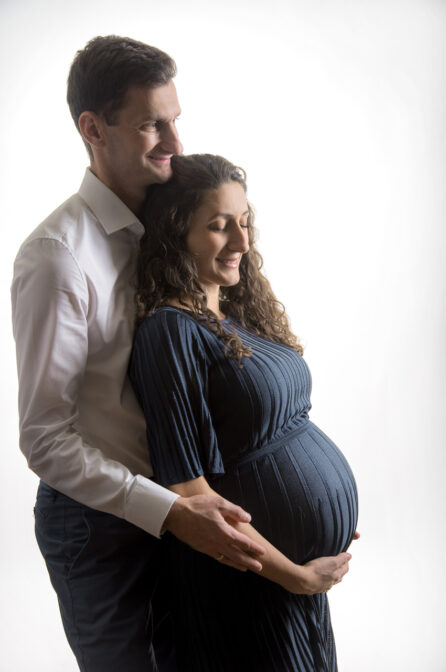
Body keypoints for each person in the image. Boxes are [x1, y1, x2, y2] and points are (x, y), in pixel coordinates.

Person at [10, 36, 269, 672]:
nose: (174, 143)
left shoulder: (176, 218)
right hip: (98, 527)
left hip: (181, 508)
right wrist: (170, 512)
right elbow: (44, 437)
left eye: (175, 119)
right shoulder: (57, 258)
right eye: (153, 124)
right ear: (92, 129)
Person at [130, 153, 359, 672]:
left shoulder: (233, 316)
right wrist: (295, 574)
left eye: (245, 222)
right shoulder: (171, 332)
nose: (241, 242)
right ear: (174, 233)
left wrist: (326, 520)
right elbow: (191, 495)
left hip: (285, 582)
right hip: (244, 586)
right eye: (218, 227)